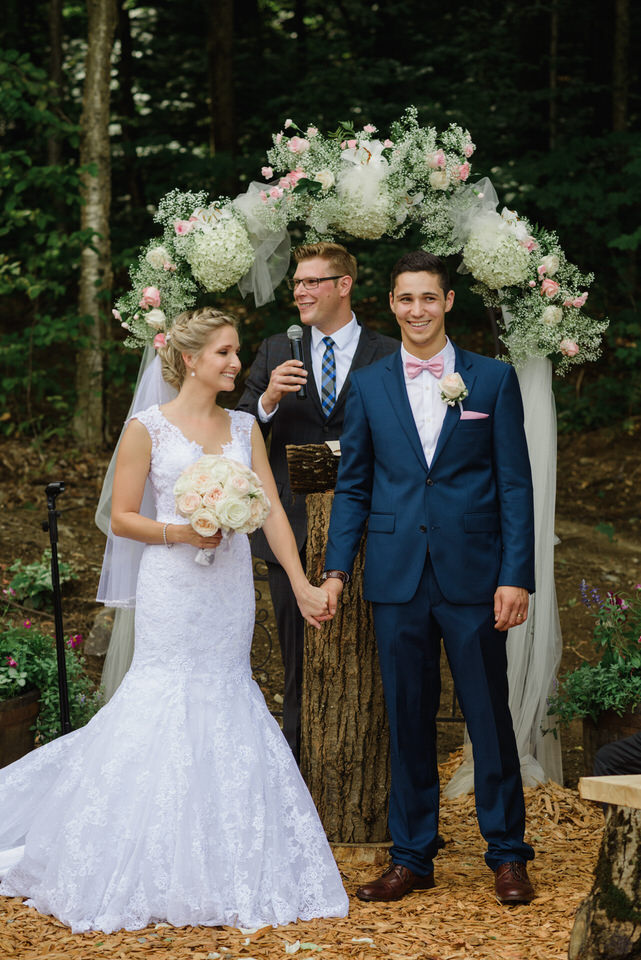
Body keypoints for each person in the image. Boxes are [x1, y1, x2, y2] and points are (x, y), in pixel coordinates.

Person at [0, 308, 348, 933]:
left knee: (227, 691)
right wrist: (182, 530)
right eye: (224, 354)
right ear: (190, 360)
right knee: (162, 695)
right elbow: (122, 516)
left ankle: (222, 857)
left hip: (228, 592)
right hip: (174, 584)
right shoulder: (147, 429)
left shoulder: (246, 427)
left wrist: (299, 584)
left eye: (237, 352)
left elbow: (268, 511)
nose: (237, 364)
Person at [320, 251, 537, 905]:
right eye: (405, 299)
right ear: (390, 303)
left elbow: (513, 486)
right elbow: (353, 486)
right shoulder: (369, 385)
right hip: (395, 578)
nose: (416, 310)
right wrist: (335, 569)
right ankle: (412, 855)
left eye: (428, 298)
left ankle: (506, 854)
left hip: (473, 577)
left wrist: (515, 575)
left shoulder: (491, 381)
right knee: (406, 719)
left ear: (447, 303)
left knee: (487, 718)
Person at [237, 241, 397, 761]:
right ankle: (297, 772)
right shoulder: (273, 350)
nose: (300, 292)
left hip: (374, 527)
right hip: (291, 528)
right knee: (297, 660)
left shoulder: (389, 352)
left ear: (343, 285)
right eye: (297, 283)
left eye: (311, 282)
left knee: (373, 655)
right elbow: (238, 428)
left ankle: (372, 765)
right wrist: (267, 400)